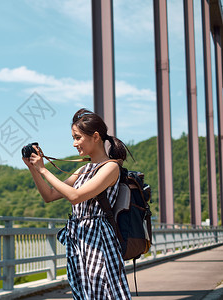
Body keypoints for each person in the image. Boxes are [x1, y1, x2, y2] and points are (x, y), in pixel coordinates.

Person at [22, 108, 132, 299]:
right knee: (83, 293)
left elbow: (75, 196)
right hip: (79, 239)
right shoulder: (84, 169)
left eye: (78, 137)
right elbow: (49, 195)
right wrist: (33, 168)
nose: (74, 143)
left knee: (103, 291)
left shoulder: (111, 167)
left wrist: (44, 170)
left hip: (99, 241)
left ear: (95, 136)